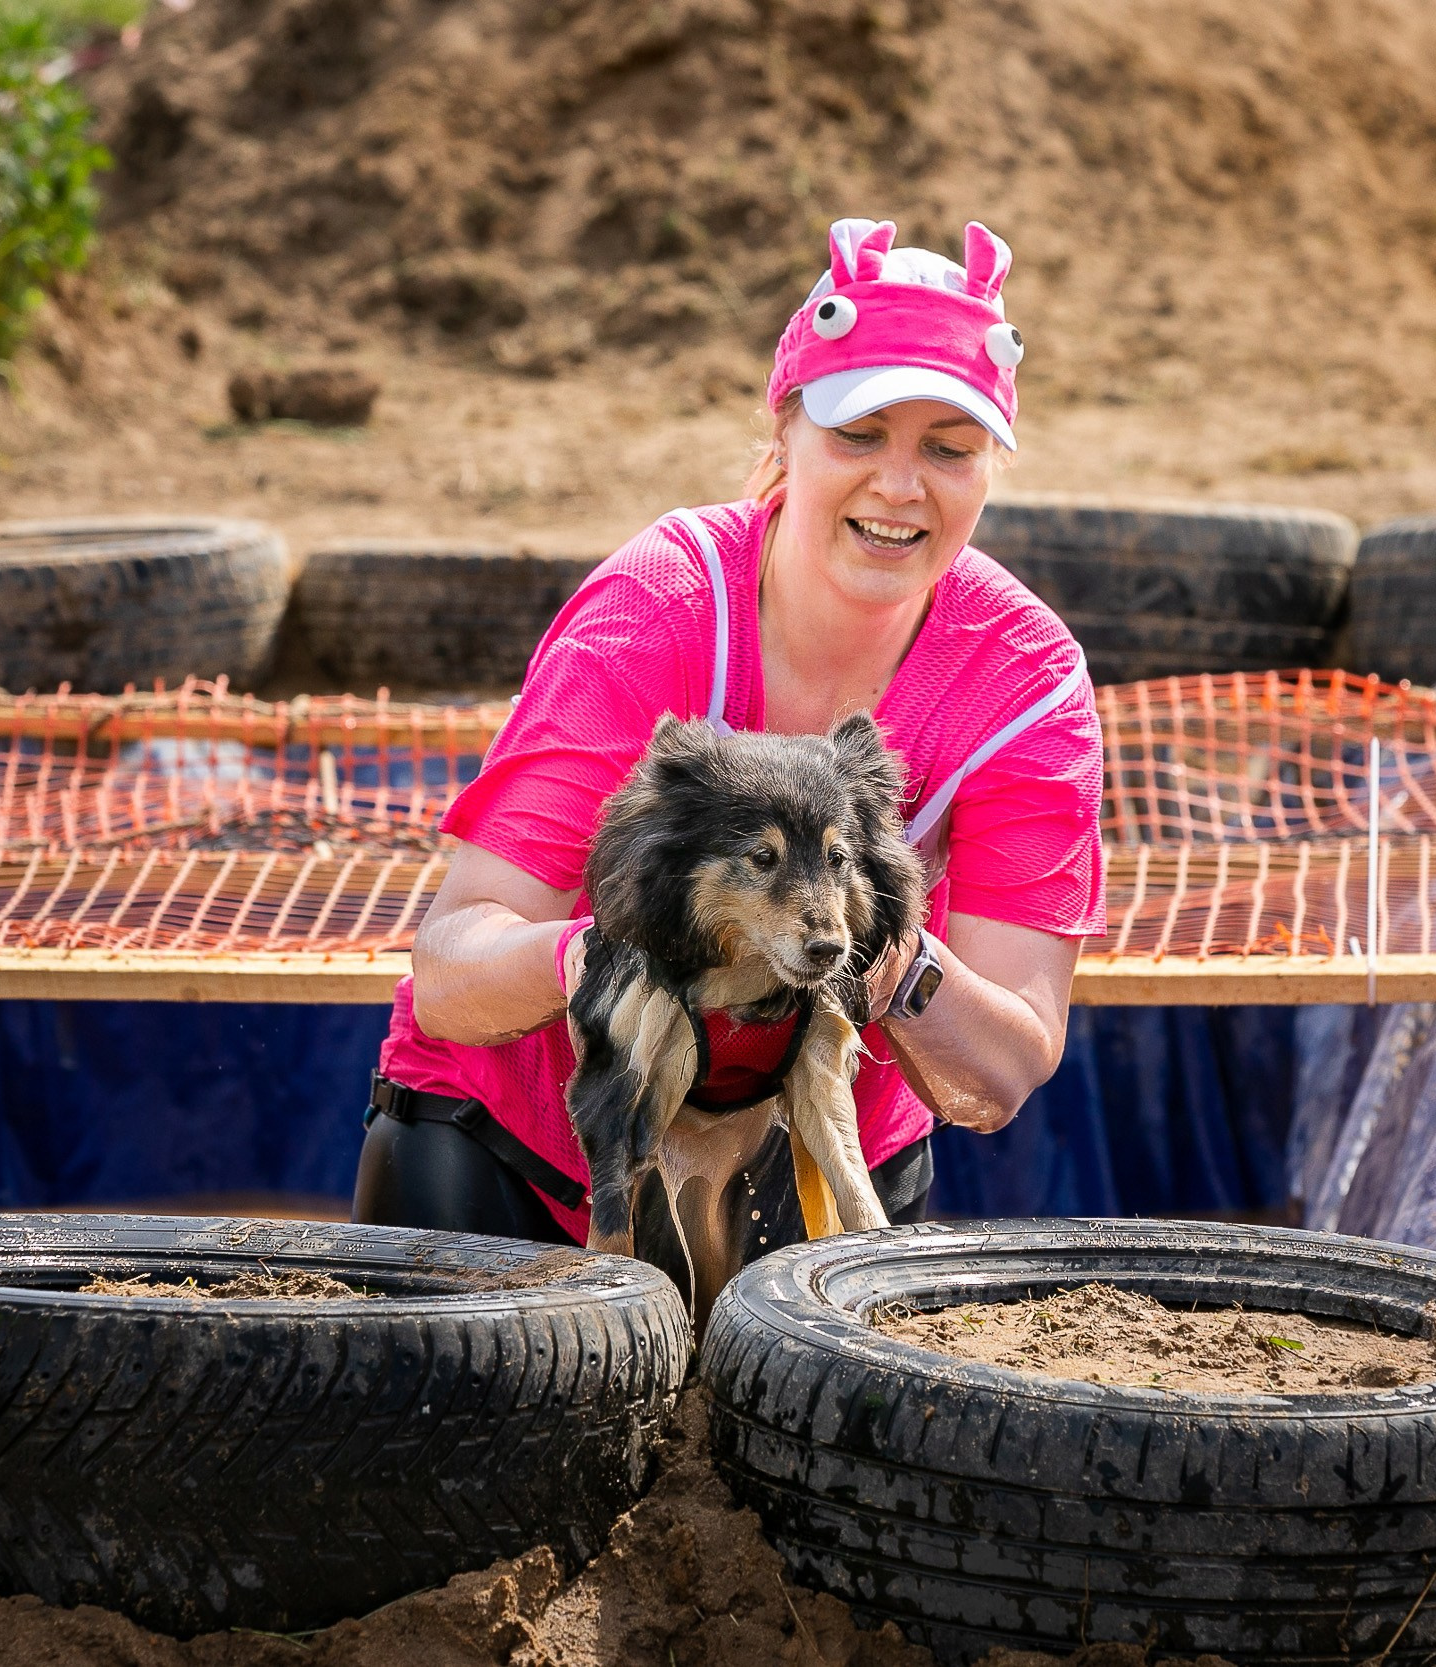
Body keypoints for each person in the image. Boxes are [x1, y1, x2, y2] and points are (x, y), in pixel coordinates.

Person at [352, 216, 1105, 1250]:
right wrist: (591, 957)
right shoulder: (657, 605)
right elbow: (448, 973)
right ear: (785, 433)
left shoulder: (1024, 680)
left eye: (948, 447)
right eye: (858, 434)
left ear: (986, 470)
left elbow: (1002, 1069)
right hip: (527, 1148)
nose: (899, 484)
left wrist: (869, 948)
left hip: (806, 1157)